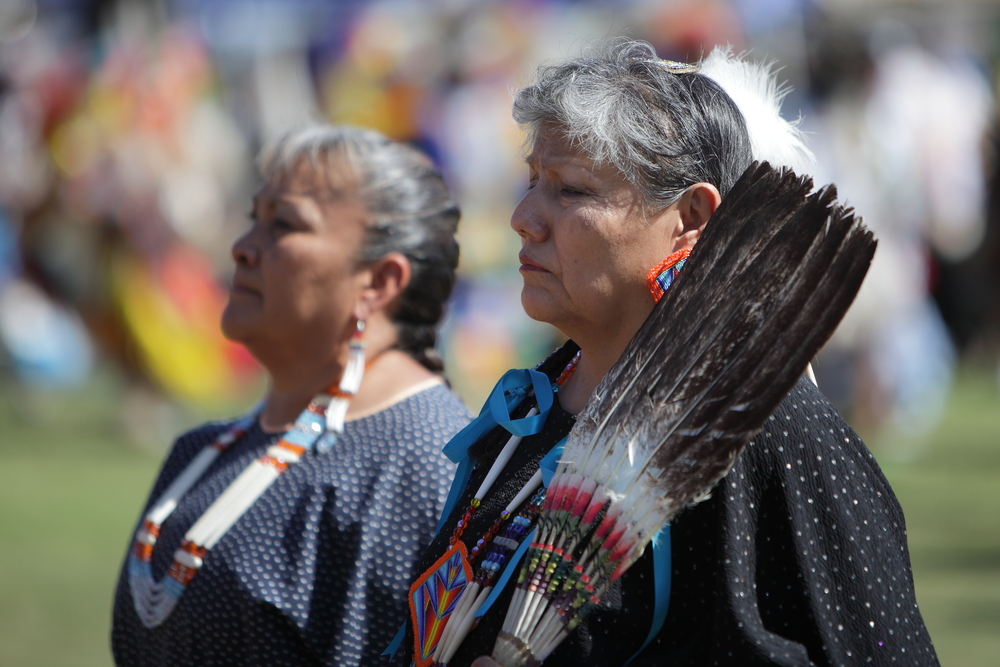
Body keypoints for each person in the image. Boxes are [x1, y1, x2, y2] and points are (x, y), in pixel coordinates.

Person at [392, 40, 939, 667]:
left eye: (570, 190)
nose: (524, 218)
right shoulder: (524, 414)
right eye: (532, 181)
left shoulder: (763, 435)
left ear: (690, 216)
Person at [112, 125, 471, 667]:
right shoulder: (200, 452)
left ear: (378, 281)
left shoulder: (426, 461)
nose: (241, 248)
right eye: (253, 218)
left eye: (283, 224)